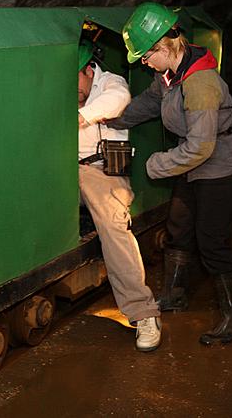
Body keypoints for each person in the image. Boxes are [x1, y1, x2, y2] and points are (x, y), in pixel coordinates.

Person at [107, 2, 232, 346]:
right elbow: (152, 102)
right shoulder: (169, 74)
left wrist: (157, 164)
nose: (143, 62)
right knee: (179, 227)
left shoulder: (200, 82)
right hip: (190, 161)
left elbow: (201, 146)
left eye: (145, 55)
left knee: (211, 240)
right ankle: (175, 294)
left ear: (164, 46)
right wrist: (115, 119)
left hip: (216, 165)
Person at [76, 40, 162, 352]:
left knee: (113, 224)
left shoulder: (111, 83)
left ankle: (143, 311)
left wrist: (81, 117)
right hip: (58, 169)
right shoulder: (65, 84)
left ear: (88, 71)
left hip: (98, 170)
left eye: (74, 83)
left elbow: (117, 100)